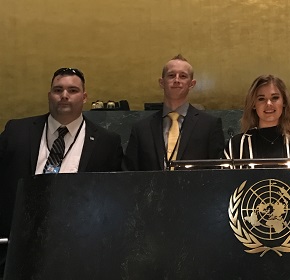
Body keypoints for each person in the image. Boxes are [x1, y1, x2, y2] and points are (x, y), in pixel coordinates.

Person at [0, 67, 123, 274]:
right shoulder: (17, 131)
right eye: (58, 90)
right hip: (17, 242)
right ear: (50, 95)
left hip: (78, 246)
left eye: (72, 90)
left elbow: (114, 196)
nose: (64, 96)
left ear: (84, 97)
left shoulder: (106, 142)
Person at [124, 54, 224, 170]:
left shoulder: (209, 125)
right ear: (162, 82)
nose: (177, 80)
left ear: (192, 84)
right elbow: (129, 174)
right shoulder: (141, 129)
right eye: (171, 75)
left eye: (183, 76)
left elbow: (217, 173)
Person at [224, 75, 290, 164]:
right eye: (261, 99)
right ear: (253, 104)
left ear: (284, 102)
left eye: (275, 97)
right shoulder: (236, 146)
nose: (268, 103)